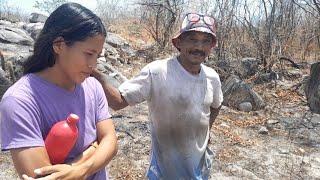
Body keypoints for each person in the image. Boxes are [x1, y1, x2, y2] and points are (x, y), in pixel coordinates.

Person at [92, 13, 223, 179]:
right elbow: (118, 102)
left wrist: (207, 131)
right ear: (179, 42)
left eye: (206, 41)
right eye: (192, 39)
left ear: (211, 46)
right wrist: (94, 73)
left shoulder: (212, 77)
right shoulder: (157, 72)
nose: (199, 46)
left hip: (200, 168)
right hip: (164, 170)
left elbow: (216, 105)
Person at [0, 3, 117, 180]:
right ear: (59, 45)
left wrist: (79, 170)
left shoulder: (93, 87)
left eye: (97, 56)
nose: (93, 64)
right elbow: (41, 175)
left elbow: (111, 141)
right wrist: (94, 149)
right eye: (88, 53)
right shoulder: (20, 100)